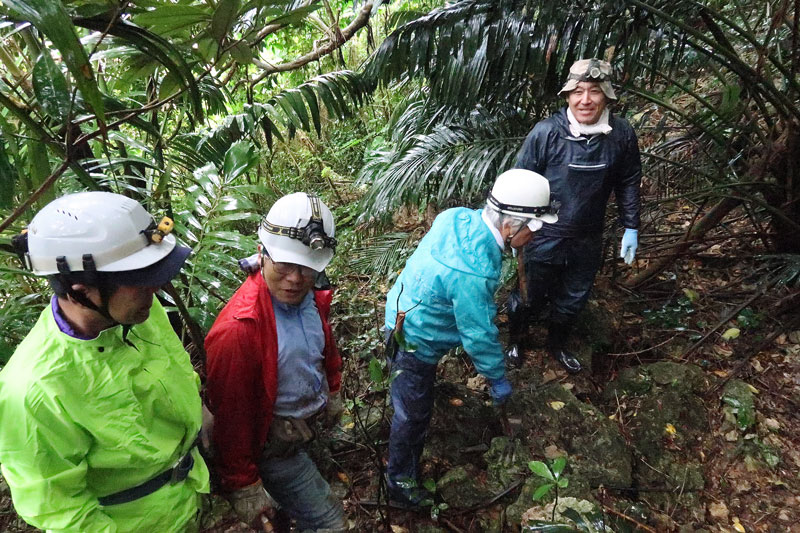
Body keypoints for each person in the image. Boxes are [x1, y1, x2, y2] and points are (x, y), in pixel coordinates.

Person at [0, 191, 210, 531]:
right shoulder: (33, 391)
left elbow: (174, 368)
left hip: (188, 495)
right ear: (81, 291)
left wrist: (198, 417)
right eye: (140, 281)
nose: (156, 288)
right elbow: (61, 508)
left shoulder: (137, 311)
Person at [383, 169, 557, 506]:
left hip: (403, 309)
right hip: (414, 338)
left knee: (413, 396)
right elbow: (478, 334)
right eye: (532, 230)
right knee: (412, 416)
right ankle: (399, 485)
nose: (534, 238)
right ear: (510, 226)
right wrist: (495, 377)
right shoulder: (472, 273)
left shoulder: (457, 217)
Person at [205, 192, 346, 532]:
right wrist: (243, 484)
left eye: (307, 267)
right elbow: (232, 416)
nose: (296, 278)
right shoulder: (240, 330)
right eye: (285, 264)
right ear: (262, 253)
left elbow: (323, 345)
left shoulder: (310, 297)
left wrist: (334, 387)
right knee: (329, 522)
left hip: (303, 430)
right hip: (272, 444)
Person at [508, 58, 642, 374]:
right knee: (529, 294)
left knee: (574, 297)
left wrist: (631, 226)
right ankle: (516, 340)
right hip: (544, 233)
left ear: (607, 96)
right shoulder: (546, 133)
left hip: (588, 234)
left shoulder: (621, 134)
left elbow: (628, 180)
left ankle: (558, 345)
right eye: (578, 91)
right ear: (568, 95)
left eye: (594, 91)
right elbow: (520, 179)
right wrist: (515, 226)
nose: (585, 100)